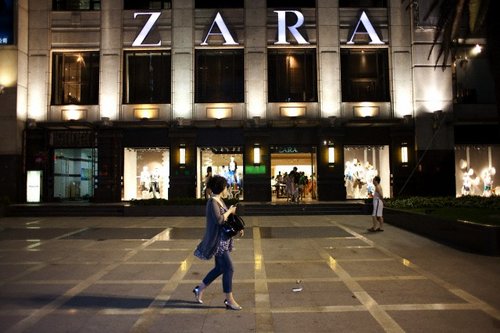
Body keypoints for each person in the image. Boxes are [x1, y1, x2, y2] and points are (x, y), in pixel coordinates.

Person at [193, 175, 243, 310]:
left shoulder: (219, 200)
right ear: (221, 188)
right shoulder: (212, 202)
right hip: (218, 242)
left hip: (224, 240)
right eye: (226, 187)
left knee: (220, 268)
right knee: (229, 268)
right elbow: (220, 220)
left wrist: (238, 227)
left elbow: (226, 219)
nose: (227, 189)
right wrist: (230, 211)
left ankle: (200, 289)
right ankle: (229, 300)